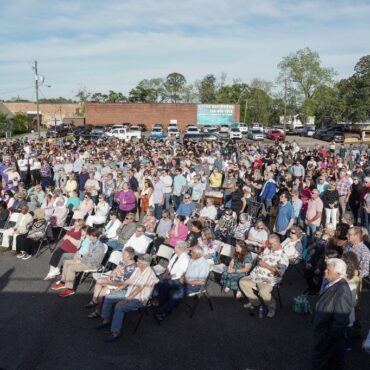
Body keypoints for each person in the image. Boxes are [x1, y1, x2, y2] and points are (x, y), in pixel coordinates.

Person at [96, 254, 158, 342]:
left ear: (145, 264)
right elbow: (128, 281)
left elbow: (138, 289)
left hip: (139, 298)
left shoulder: (149, 273)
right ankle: (106, 319)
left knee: (119, 307)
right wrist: (117, 289)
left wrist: (125, 300)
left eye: (139, 262)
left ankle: (115, 332)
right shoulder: (138, 268)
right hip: (129, 292)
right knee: (109, 297)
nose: (136, 263)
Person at [311, 258, 353, 370]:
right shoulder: (333, 283)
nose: (325, 271)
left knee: (322, 363)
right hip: (323, 333)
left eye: (328, 269)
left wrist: (328, 337)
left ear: (338, 273)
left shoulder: (343, 290)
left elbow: (341, 319)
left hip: (327, 337)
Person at [240, 234, 289, 318]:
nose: (269, 245)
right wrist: (259, 261)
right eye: (268, 243)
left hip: (267, 280)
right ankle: (255, 302)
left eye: (271, 243)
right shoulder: (268, 249)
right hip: (256, 275)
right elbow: (259, 258)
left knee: (263, 292)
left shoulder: (283, 257)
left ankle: (272, 308)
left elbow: (278, 273)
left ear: (277, 243)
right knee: (242, 282)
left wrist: (266, 265)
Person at [155, 245, 210, 320]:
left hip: (193, 285)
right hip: (184, 280)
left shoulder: (204, 265)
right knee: (163, 283)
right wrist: (182, 276)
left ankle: (164, 312)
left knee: (176, 294)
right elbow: (186, 271)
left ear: (198, 255)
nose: (191, 253)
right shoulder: (193, 259)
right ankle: (163, 303)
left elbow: (202, 282)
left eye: (192, 252)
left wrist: (187, 281)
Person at [51, 227, 106, 297]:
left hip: (92, 264)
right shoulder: (93, 242)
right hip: (86, 260)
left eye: (89, 235)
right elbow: (89, 253)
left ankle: (70, 289)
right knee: (67, 262)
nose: (88, 236)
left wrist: (81, 260)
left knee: (71, 268)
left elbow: (93, 260)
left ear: (94, 237)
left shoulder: (100, 247)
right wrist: (80, 256)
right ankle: (63, 282)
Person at [86, 247, 137, 318]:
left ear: (129, 257)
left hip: (118, 285)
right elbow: (115, 270)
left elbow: (124, 283)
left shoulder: (132, 268)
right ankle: (97, 310)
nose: (122, 256)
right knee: (100, 294)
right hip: (112, 281)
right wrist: (110, 276)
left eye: (123, 255)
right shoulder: (123, 261)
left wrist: (112, 281)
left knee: (99, 281)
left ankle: (94, 301)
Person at [154, 241, 190, 305]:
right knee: (158, 280)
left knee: (163, 284)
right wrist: (166, 273)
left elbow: (180, 273)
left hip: (178, 278)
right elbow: (169, 265)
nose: (174, 247)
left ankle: (161, 302)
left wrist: (169, 276)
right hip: (170, 274)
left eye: (176, 246)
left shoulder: (185, 259)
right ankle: (157, 297)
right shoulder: (176, 254)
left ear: (180, 249)